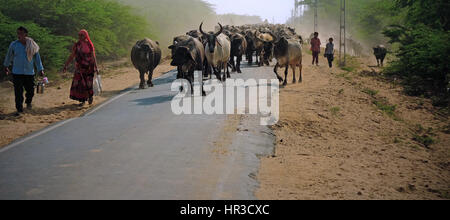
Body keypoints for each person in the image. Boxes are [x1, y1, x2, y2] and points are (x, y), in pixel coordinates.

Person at [3, 26, 45, 116]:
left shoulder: (32, 45)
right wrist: (6, 66)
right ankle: (19, 109)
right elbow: (9, 56)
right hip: (17, 72)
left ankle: (28, 102)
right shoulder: (14, 45)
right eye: (18, 33)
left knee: (30, 91)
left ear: (25, 34)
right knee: (18, 92)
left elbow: (37, 58)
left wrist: (40, 69)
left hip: (29, 72)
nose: (19, 35)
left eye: (21, 33)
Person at [63, 29, 98, 106]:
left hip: (89, 68)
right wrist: (66, 65)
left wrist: (96, 67)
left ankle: (90, 96)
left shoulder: (89, 44)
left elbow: (93, 56)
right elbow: (72, 55)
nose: (80, 37)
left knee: (88, 84)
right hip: (79, 68)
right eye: (79, 35)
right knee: (80, 84)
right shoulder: (77, 45)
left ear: (85, 36)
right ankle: (82, 100)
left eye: (81, 35)